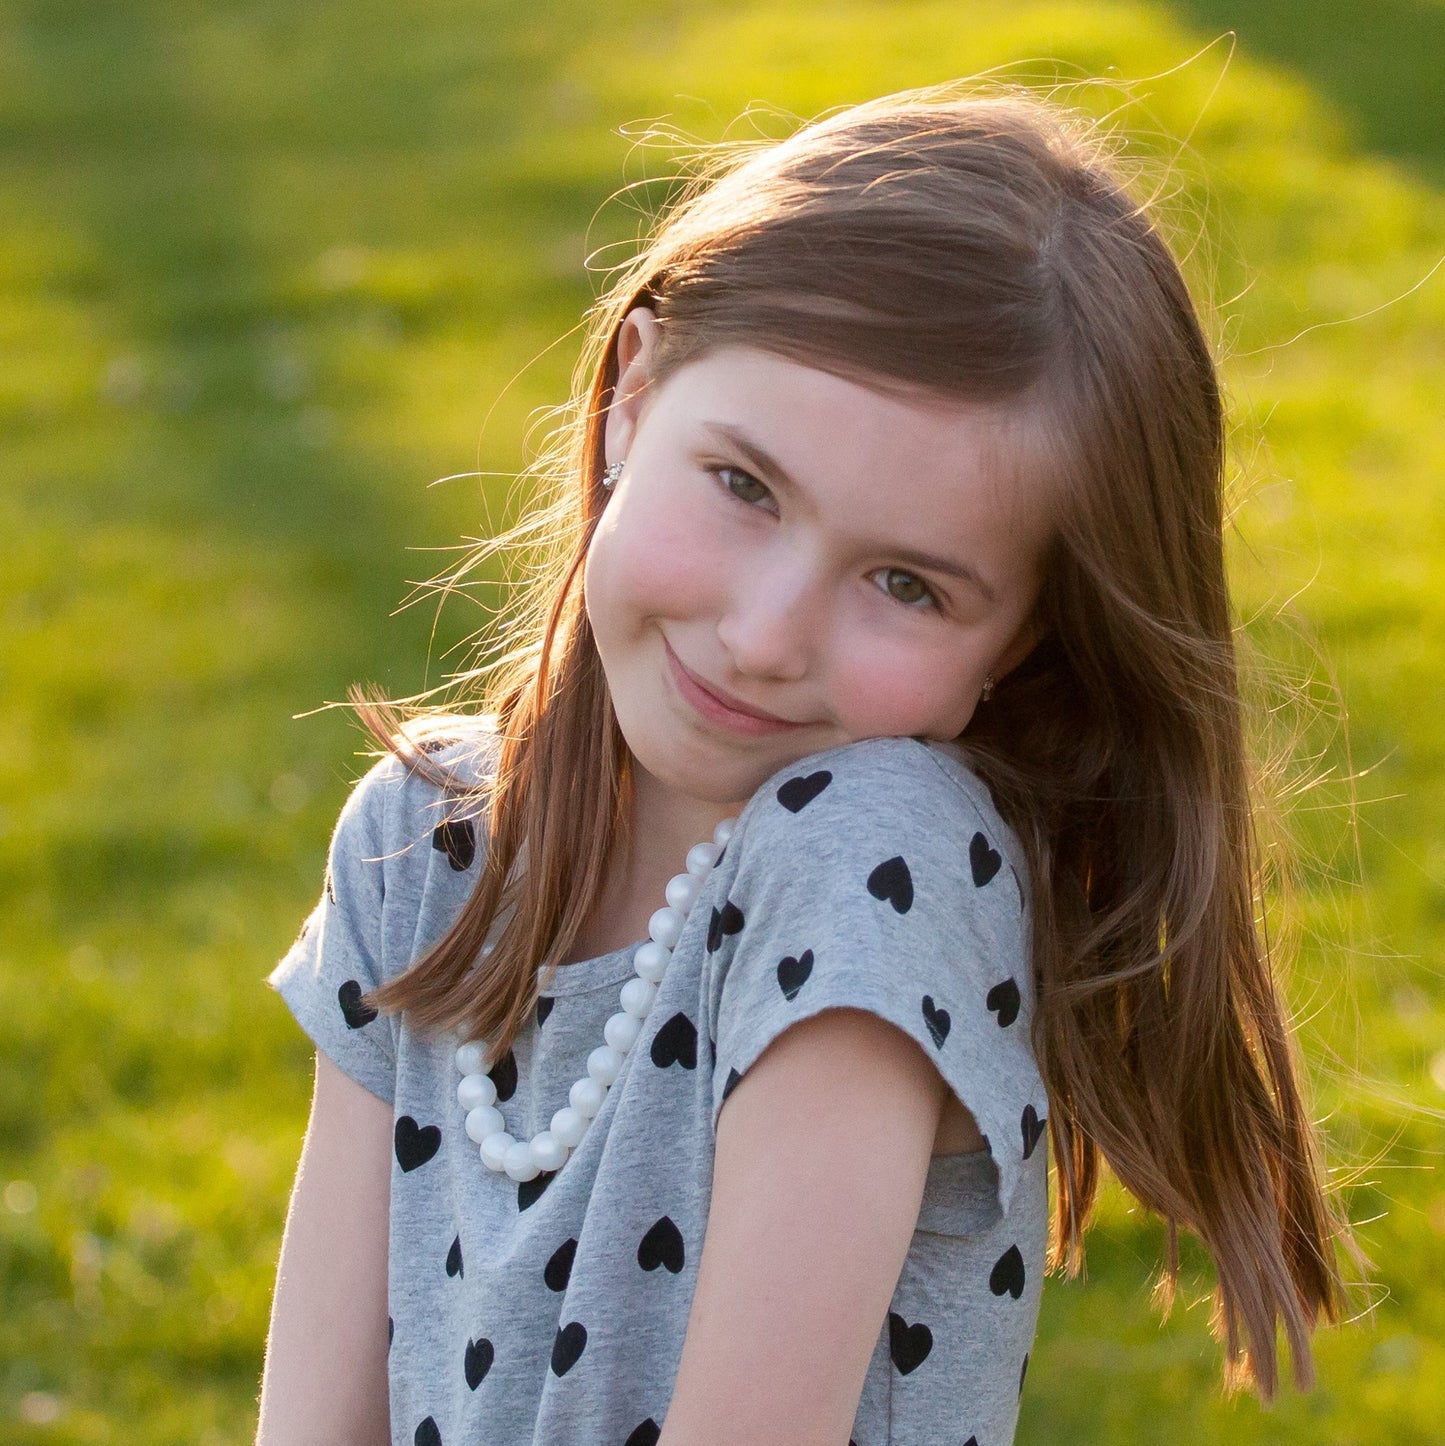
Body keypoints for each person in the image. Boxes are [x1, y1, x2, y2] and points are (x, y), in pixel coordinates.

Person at [254, 82, 1355, 1446]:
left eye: (905, 582)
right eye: (744, 485)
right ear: (633, 400)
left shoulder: (875, 847)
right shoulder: (420, 841)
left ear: (1019, 649)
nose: (765, 634)